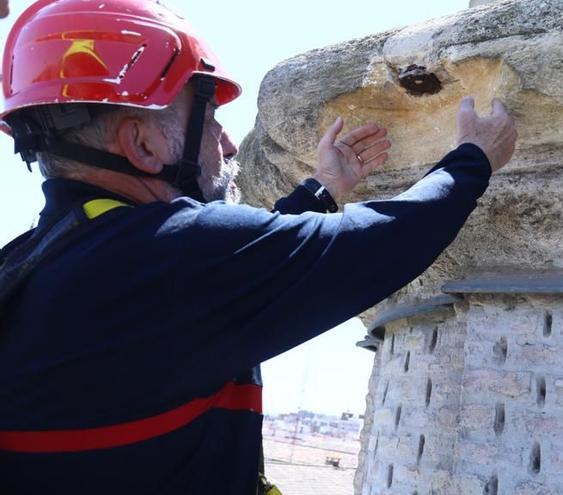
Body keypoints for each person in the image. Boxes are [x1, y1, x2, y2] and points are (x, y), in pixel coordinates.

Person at [0, 1, 517, 494]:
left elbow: (229, 278)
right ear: (143, 144)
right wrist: (473, 158)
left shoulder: (43, 259)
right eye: (207, 119)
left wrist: (321, 190)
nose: (226, 144)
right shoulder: (170, 254)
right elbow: (386, 240)